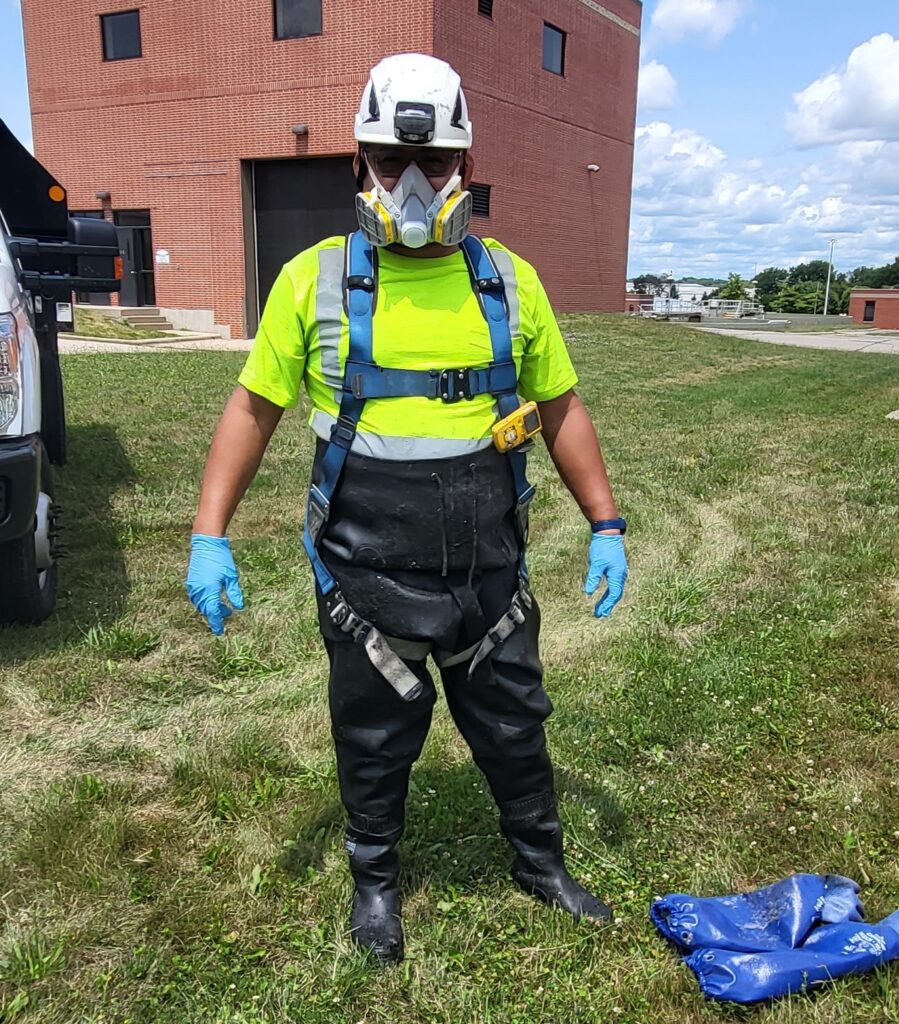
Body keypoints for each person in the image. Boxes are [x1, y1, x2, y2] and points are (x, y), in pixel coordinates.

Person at [186, 52, 628, 965]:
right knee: (374, 738)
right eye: (391, 162)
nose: (414, 186)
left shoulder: (507, 281)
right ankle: (376, 884)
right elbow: (252, 408)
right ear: (359, 164)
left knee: (515, 724)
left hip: (489, 573)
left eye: (433, 165)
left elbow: (561, 407)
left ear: (468, 167)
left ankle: (539, 864)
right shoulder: (314, 280)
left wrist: (606, 523)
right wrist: (207, 533)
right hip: (364, 573)